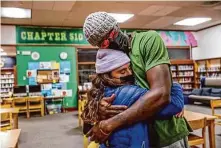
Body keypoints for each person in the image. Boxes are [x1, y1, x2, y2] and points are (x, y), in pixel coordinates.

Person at [83, 12, 190, 147]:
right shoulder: (112, 57)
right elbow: (99, 89)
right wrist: (99, 107)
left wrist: (110, 123)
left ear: (117, 27)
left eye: (111, 35)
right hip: (138, 135)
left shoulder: (148, 40)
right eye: (103, 43)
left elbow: (161, 95)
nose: (110, 42)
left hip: (166, 133)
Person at [82, 49, 185, 148]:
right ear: (107, 76)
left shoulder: (100, 92)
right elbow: (174, 105)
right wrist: (174, 85)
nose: (129, 73)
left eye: (129, 68)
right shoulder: (131, 92)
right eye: (122, 72)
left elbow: (86, 128)